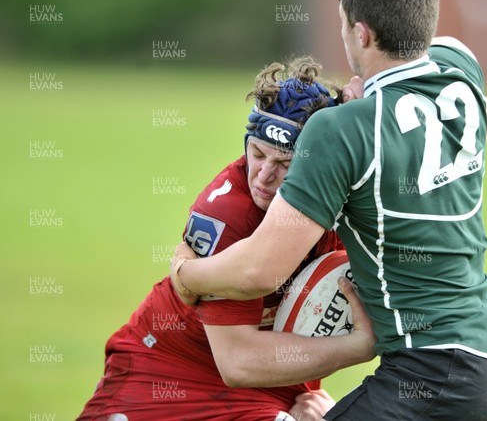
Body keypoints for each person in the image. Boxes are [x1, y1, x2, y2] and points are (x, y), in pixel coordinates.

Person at [169, 0, 487, 420]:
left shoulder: (341, 128)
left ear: (362, 33)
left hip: (438, 371)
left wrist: (187, 274)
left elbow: (261, 271)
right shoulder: (459, 73)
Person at [77, 57, 376, 421]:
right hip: (168, 369)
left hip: (268, 378)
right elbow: (239, 363)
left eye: (285, 164)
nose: (264, 177)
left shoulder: (346, 187)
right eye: (257, 154)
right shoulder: (229, 215)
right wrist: (358, 347)